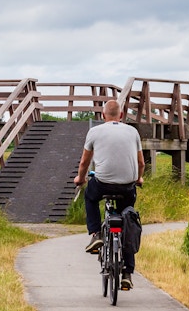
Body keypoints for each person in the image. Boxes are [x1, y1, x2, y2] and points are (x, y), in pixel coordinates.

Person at [73, 99, 145, 290]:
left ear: (103, 116)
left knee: (90, 196)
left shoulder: (95, 132)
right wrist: (139, 179)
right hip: (127, 186)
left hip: (103, 183)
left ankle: (96, 233)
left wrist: (80, 179)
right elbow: (141, 163)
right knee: (127, 221)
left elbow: (84, 163)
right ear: (121, 116)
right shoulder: (132, 132)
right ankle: (128, 273)